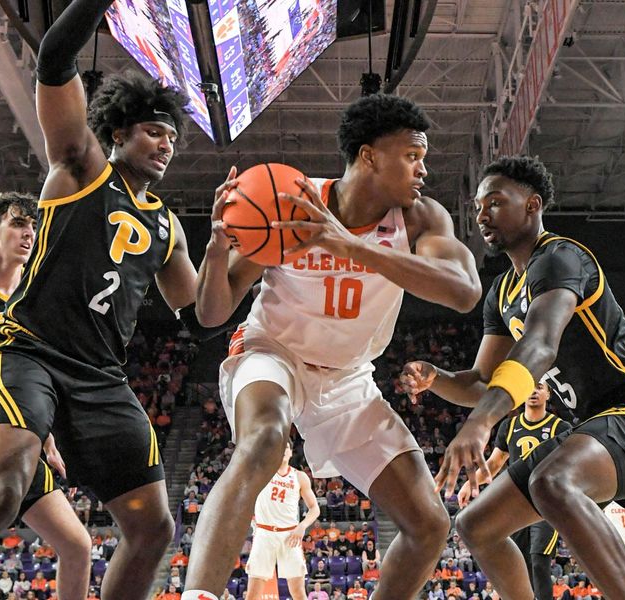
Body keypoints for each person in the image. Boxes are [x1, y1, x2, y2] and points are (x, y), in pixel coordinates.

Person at [0, 1, 213, 597]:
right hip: (31, 353)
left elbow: (198, 311)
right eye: (153, 131)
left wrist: (228, 248)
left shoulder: (169, 225)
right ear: (118, 133)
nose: (166, 145)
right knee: (1, 492)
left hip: (101, 375)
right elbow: (53, 57)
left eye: (172, 136)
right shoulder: (83, 167)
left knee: (154, 528)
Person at [184, 92, 481, 599]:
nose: (422, 170)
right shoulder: (292, 203)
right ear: (369, 157)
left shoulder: (420, 218)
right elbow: (211, 313)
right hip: (273, 350)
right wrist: (215, 251)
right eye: (412, 156)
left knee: (429, 524)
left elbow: (463, 291)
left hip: (348, 377)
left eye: (423, 158)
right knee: (263, 440)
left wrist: (348, 244)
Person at [400, 155, 625, 599]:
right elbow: (482, 380)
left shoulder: (559, 256)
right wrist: (436, 376)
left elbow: (539, 344)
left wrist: (480, 424)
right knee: (476, 525)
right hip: (596, 425)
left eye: (496, 202)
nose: (482, 214)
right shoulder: (501, 292)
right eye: (478, 206)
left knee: (552, 482)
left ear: (533, 205)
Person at [0, 191, 92, 598]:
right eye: (18, 224)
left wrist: (46, 438)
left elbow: (33, 380)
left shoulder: (34, 301)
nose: (29, 233)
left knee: (78, 545)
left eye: (34, 226)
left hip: (6, 430)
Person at [457, 381, 571, 600]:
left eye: (539, 387)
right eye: (529, 387)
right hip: (517, 502)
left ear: (548, 393)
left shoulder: (560, 428)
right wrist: (470, 483)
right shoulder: (509, 426)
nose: (533, 392)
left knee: (539, 561)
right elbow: (494, 464)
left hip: (546, 504)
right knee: (519, 562)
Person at [246, 441, 320, 600]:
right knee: (252, 595)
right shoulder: (261, 472)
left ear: (291, 452)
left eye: (286, 447)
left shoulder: (299, 477)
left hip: (290, 536)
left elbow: (315, 508)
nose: (282, 450)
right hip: (264, 534)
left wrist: (302, 526)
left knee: (299, 593)